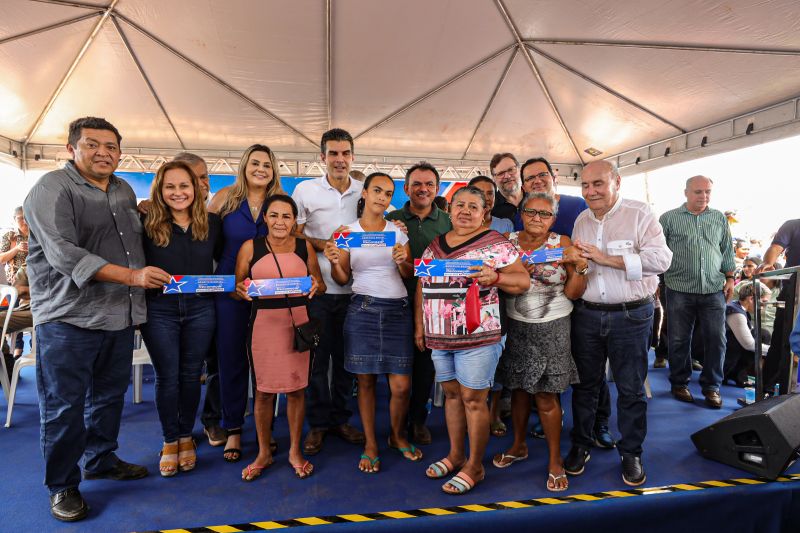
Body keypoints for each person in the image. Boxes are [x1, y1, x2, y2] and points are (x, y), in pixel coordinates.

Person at [24, 116, 171, 522]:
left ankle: (100, 458)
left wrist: (145, 214)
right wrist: (133, 277)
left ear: (120, 153)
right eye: (92, 145)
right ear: (71, 149)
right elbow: (64, 254)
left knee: (108, 398)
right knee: (63, 406)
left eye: (111, 146)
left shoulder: (123, 190)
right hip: (68, 318)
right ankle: (62, 485)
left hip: (118, 317)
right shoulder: (50, 189)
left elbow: (132, 241)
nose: (103, 152)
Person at [565, 160, 672, 487]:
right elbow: (579, 268)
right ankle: (581, 445)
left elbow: (661, 260)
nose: (590, 191)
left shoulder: (640, 214)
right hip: (586, 313)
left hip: (632, 315)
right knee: (584, 386)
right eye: (585, 185)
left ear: (617, 182)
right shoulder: (581, 220)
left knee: (630, 388)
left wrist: (605, 258)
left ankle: (631, 452)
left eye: (598, 183)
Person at [418, 186, 530, 495]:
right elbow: (422, 285)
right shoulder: (435, 244)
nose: (465, 211)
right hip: (440, 336)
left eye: (473, 206)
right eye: (460, 205)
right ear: (450, 209)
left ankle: (475, 466)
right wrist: (421, 327)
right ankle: (456, 455)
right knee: (452, 396)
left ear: (484, 214)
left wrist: (496, 278)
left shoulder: (496, 243)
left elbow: (522, 281)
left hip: (479, 335)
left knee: (473, 399)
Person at [514, 156, 615, 448]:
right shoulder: (513, 234)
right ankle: (550, 424)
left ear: (553, 176)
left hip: (576, 303)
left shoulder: (579, 204)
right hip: (527, 316)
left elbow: (582, 265)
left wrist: (578, 264)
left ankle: (599, 422)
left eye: (541, 174)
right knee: (538, 382)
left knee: (587, 370)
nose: (536, 180)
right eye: (530, 178)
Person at [325, 172, 419, 473]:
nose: (382, 197)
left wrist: (404, 259)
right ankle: (370, 444)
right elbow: (342, 278)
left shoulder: (398, 232)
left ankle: (396, 436)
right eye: (377, 190)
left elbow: (408, 275)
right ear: (364, 193)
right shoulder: (345, 233)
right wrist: (335, 261)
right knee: (365, 381)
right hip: (362, 309)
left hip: (398, 310)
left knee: (402, 386)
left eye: (388, 193)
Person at [492, 192, 586, 492]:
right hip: (517, 326)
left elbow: (573, 292)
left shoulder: (563, 243)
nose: (537, 218)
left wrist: (580, 267)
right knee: (519, 389)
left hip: (553, 327)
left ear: (553, 219)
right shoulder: (507, 241)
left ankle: (555, 460)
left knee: (546, 396)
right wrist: (516, 274)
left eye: (544, 214)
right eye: (531, 212)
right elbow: (496, 285)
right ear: (521, 213)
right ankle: (519, 445)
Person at [234, 195, 325, 481]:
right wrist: (240, 290)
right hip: (263, 324)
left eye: (286, 216)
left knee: (297, 390)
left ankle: (295, 451)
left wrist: (314, 285)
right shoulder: (250, 247)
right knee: (263, 391)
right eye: (274, 215)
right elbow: (236, 287)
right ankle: (264, 452)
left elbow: (319, 284)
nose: (280, 222)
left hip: (298, 323)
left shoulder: (304, 246)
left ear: (294, 220)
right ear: (265, 218)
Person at [140, 161, 222, 477]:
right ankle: (169, 439)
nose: (178, 192)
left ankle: (186, 435)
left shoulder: (213, 224)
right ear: (160, 190)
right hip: (159, 311)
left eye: (184, 185)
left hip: (202, 309)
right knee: (167, 376)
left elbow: (229, 262)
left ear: (197, 188)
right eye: (170, 186)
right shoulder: (144, 221)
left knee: (190, 375)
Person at [292, 128, 366, 455]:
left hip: (356, 291)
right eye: (333, 153)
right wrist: (325, 245)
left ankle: (341, 419)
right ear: (322, 157)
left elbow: (377, 231)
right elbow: (293, 235)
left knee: (347, 361)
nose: (339, 159)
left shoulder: (365, 192)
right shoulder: (305, 190)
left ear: (352, 157)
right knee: (317, 362)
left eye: (345, 153)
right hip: (316, 292)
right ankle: (318, 425)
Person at [208, 144, 284, 461]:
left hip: (269, 295)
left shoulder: (279, 202)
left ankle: (265, 435)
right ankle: (234, 429)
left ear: (273, 170)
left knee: (265, 365)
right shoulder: (225, 197)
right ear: (244, 165)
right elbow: (205, 239)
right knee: (231, 362)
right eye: (255, 163)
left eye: (267, 164)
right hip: (229, 292)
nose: (260, 169)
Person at [385, 163, 452, 444]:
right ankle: (396, 427)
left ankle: (418, 421)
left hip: (434, 305)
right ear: (406, 188)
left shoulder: (448, 222)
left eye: (429, 184)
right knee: (399, 370)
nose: (423, 189)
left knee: (426, 367)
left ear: (436, 189)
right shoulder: (391, 219)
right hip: (395, 301)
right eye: (417, 184)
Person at [659, 176, 735, 408]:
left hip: (714, 288)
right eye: (698, 192)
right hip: (678, 288)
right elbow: (658, 252)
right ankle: (679, 383)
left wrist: (730, 277)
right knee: (679, 339)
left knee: (717, 339)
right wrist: (655, 280)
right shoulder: (668, 218)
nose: (704, 196)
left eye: (708, 192)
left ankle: (712, 387)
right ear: (686, 193)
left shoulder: (719, 218)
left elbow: (727, 249)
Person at [171, 152, 226, 446]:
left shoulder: (215, 220)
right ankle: (180, 431)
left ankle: (212, 421)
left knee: (215, 365)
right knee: (182, 372)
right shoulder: (157, 218)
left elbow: (223, 258)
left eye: (205, 176)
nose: (203, 182)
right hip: (170, 309)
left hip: (212, 303)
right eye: (195, 177)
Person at [759, 218, 800, 395]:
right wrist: (769, 263)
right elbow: (776, 248)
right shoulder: (793, 225)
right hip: (793, 291)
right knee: (781, 341)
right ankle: (768, 389)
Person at [723, 282, 770, 387]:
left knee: (762, 334)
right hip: (723, 356)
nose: (764, 306)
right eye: (764, 302)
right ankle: (730, 372)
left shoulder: (739, 307)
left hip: (727, 351)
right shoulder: (736, 313)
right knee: (761, 336)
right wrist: (773, 350)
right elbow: (748, 344)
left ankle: (736, 374)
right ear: (751, 299)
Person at [489, 153, 523, 220]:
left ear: (520, 170)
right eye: (501, 173)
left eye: (511, 170)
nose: (507, 176)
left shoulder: (535, 198)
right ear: (494, 178)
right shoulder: (491, 208)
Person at [0, 206, 29, 285]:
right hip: (14, 281)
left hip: (36, 278)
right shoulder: (9, 236)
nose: (25, 221)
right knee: (7, 297)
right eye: (21, 218)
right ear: (14, 219)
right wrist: (16, 249)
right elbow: (1, 259)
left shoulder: (38, 235)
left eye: (27, 217)